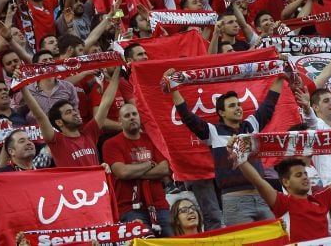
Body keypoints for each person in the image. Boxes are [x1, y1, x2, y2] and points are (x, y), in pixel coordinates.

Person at [166, 69, 284, 227]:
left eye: (239, 104)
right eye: (232, 106)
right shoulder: (212, 132)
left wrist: (281, 74)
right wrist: (173, 88)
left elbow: (270, 103)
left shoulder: (251, 125)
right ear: (221, 112)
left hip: (263, 197)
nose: (238, 108)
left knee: (274, 241)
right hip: (235, 202)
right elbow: (187, 116)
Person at [16, 69, 118, 167]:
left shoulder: (89, 133)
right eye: (68, 112)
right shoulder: (56, 141)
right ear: (59, 122)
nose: (75, 113)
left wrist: (118, 67)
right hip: (74, 185)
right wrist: (22, 85)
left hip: (96, 184)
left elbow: (106, 102)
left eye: (73, 110)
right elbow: (40, 116)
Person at [234, 156, 331, 242]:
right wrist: (240, 158)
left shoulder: (321, 199)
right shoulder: (283, 203)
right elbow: (258, 182)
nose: (305, 177)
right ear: (286, 182)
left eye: (305, 173)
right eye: (298, 175)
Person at [103, 104, 173, 236]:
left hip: (159, 205)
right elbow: (122, 172)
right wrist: (149, 164)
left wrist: (134, 172)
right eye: (127, 115)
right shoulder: (111, 144)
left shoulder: (151, 139)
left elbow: (165, 169)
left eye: (134, 114)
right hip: (129, 208)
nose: (132, 118)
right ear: (120, 120)